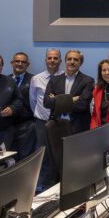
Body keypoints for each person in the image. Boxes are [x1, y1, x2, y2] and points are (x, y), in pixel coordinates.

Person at [30, 48, 62, 190]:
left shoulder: (64, 78)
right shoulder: (36, 79)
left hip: (59, 123)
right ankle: (42, 186)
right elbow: (33, 100)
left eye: (55, 58)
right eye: (50, 58)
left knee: (59, 153)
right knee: (43, 154)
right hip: (41, 122)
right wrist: (39, 114)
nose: (52, 61)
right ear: (45, 60)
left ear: (60, 61)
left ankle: (57, 184)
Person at [44, 49, 94, 134]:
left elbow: (82, 105)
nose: (72, 62)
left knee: (77, 148)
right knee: (56, 147)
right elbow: (47, 102)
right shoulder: (54, 80)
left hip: (79, 126)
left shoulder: (88, 81)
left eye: (76, 59)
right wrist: (72, 99)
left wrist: (56, 99)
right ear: (65, 61)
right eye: (69, 59)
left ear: (80, 63)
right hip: (56, 124)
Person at [10, 52, 35, 160]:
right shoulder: (5, 80)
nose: (20, 64)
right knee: (10, 156)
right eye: (17, 61)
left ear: (27, 64)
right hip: (8, 125)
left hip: (27, 124)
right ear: (12, 63)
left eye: (23, 62)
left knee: (26, 157)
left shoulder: (34, 79)